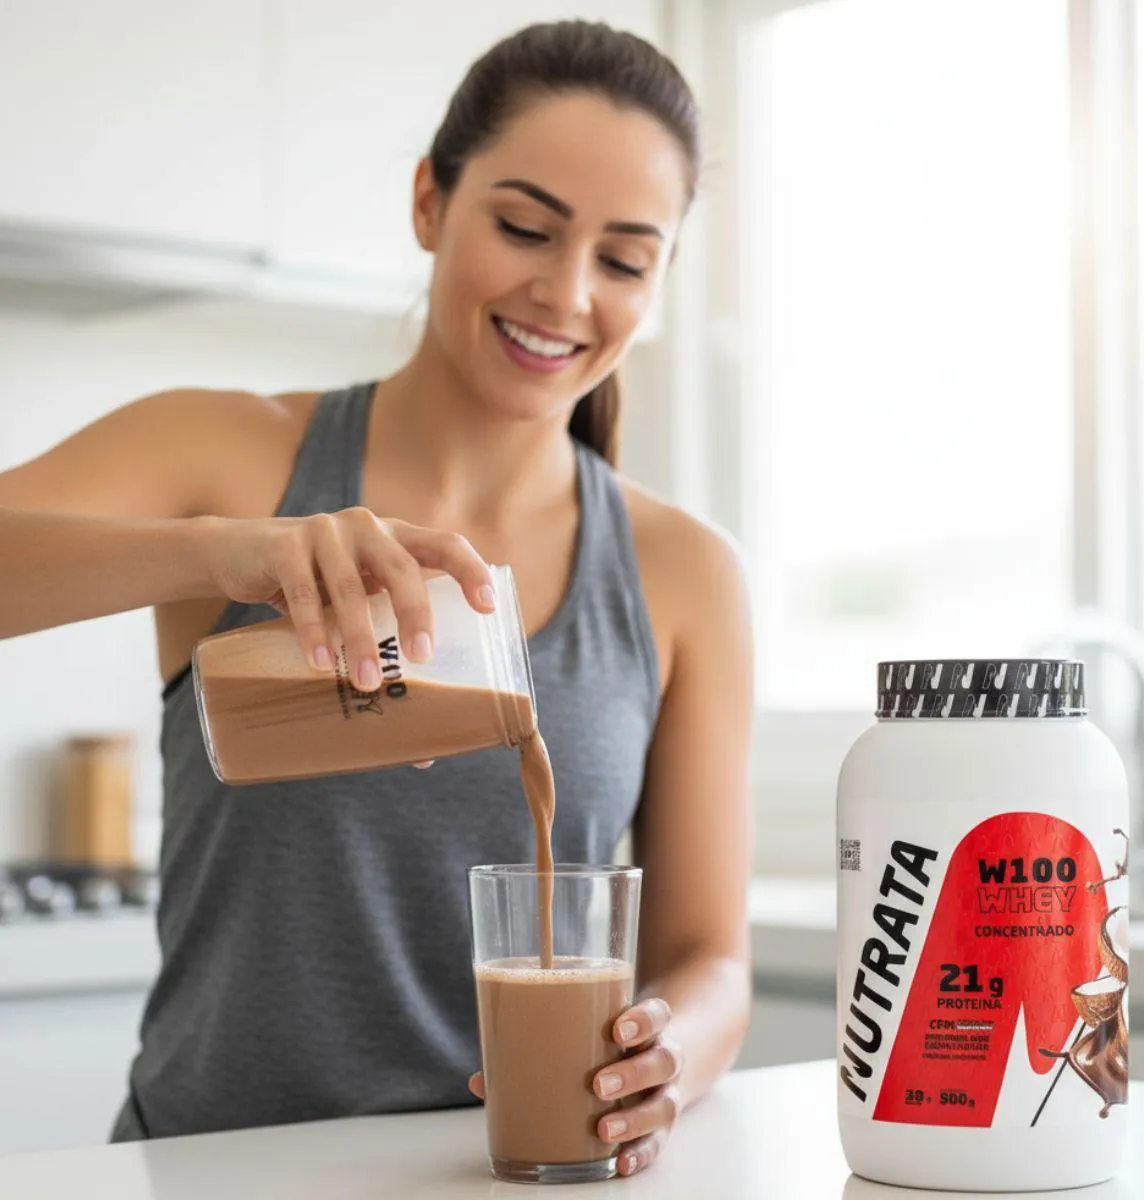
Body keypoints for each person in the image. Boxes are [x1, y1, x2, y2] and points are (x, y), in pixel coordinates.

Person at [0, 19, 752, 1178]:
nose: (565, 292)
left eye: (623, 260)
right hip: (210, 1173)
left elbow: (710, 958)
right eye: (525, 228)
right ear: (428, 204)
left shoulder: (685, 572)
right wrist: (217, 555)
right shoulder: (227, 455)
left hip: (511, 1178)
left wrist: (667, 1060)